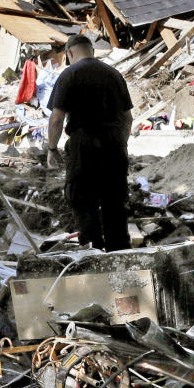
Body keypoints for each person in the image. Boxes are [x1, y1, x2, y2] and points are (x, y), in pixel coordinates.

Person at [47, 34, 133, 251]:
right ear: (92, 51)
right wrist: (120, 143)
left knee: (83, 200)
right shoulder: (114, 74)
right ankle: (119, 251)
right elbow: (128, 118)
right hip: (114, 144)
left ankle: (92, 248)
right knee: (115, 201)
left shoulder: (69, 75)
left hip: (83, 146)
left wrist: (51, 148)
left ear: (69, 53)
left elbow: (57, 119)